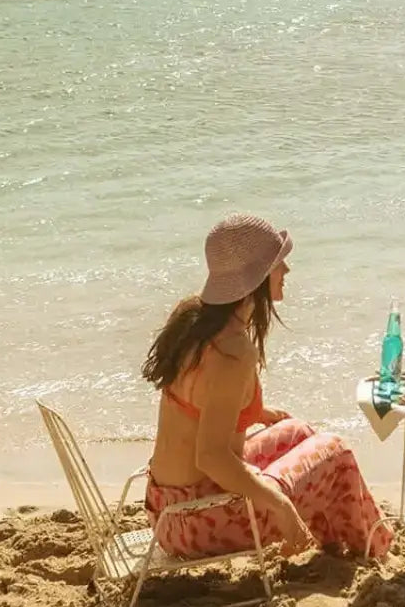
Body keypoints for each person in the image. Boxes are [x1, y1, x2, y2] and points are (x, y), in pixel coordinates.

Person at [142, 214, 392, 561]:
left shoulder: (194, 319)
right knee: (337, 453)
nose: (286, 270)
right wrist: (281, 507)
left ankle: (334, 548)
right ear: (255, 277)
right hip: (199, 523)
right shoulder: (232, 351)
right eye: (278, 263)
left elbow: (200, 401)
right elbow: (211, 456)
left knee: (297, 431)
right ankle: (373, 553)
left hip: (166, 507)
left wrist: (257, 412)